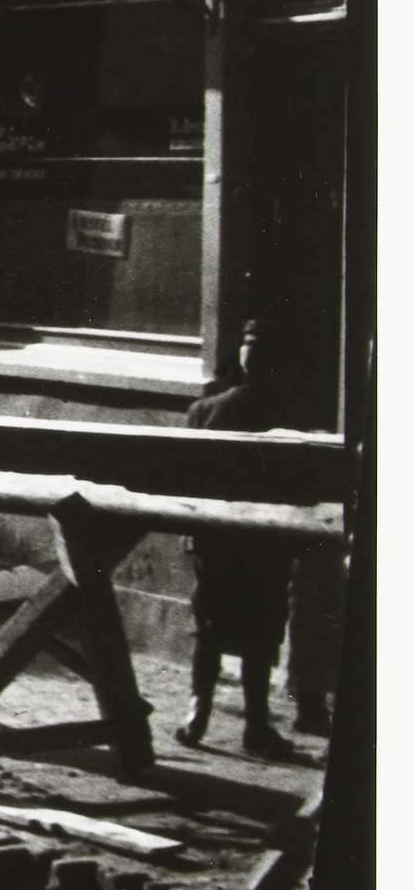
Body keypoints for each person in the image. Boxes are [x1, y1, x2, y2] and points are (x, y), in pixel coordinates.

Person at [179, 320, 299, 758]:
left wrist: (192, 532)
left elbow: (184, 480)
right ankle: (257, 727)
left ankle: (197, 714)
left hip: (214, 539)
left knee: (209, 626)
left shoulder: (203, 411)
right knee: (260, 634)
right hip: (263, 541)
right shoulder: (285, 418)